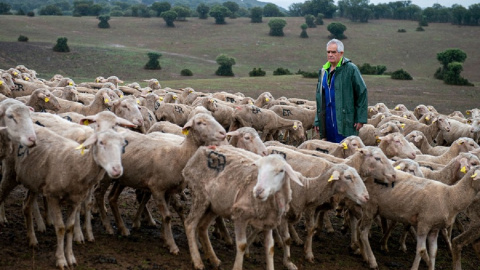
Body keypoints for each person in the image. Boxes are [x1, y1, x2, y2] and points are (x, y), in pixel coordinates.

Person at [314, 39, 368, 143]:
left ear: (341, 53)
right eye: (328, 52)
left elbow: (362, 92)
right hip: (327, 120)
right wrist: (318, 120)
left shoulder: (350, 69)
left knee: (346, 149)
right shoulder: (323, 71)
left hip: (345, 119)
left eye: (333, 52)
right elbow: (319, 98)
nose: (330, 54)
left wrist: (360, 118)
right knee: (329, 150)